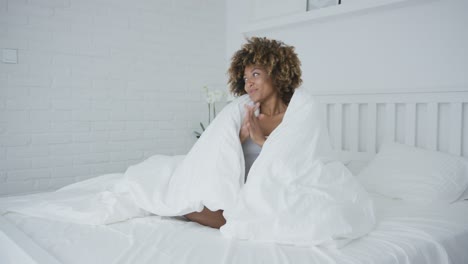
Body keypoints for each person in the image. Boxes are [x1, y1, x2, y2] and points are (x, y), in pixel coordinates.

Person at [184, 37, 302, 229]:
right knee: (189, 204)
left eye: (255, 74)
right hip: (238, 187)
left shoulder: (297, 114)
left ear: (277, 74)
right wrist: (238, 138)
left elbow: (299, 162)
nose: (249, 84)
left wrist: (260, 140)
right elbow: (218, 154)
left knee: (247, 219)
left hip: (274, 190)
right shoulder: (242, 112)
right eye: (245, 78)